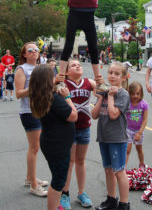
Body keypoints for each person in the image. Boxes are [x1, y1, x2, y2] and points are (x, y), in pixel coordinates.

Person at [29, 64, 78, 210]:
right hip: (58, 146)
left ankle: (56, 205)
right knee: (58, 182)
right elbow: (73, 115)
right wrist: (67, 97)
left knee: (57, 177)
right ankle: (53, 207)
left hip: (51, 143)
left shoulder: (40, 96)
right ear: (47, 80)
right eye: (52, 75)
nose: (55, 77)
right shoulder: (54, 99)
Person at [91, 61, 130, 210]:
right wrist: (102, 97)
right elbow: (94, 115)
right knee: (108, 169)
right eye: (110, 73)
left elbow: (114, 115)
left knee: (119, 171)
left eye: (117, 74)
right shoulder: (105, 91)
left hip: (117, 138)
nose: (112, 76)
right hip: (104, 136)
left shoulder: (122, 94)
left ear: (123, 77)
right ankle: (111, 199)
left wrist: (111, 96)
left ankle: (124, 204)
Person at [60, 59, 96, 209]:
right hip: (69, 128)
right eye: (73, 65)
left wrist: (101, 82)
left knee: (80, 161)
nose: (78, 66)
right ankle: (64, 193)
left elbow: (102, 89)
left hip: (85, 127)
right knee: (69, 162)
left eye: (79, 65)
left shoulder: (89, 82)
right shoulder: (63, 85)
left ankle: (81, 192)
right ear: (67, 72)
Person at [14, 42, 48, 197]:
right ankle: (34, 185)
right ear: (24, 55)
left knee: (36, 147)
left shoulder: (40, 68)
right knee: (34, 148)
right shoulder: (22, 69)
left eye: (36, 49)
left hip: (41, 111)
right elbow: (19, 93)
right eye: (30, 50)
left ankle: (30, 178)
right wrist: (35, 86)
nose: (34, 52)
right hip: (29, 112)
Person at [125, 82, 148, 169]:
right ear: (129, 94)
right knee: (127, 150)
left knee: (139, 149)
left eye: (137, 93)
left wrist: (139, 133)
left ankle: (142, 164)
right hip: (128, 129)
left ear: (141, 94)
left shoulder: (144, 104)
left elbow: (145, 119)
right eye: (133, 94)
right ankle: (123, 168)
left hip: (138, 130)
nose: (135, 96)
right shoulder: (127, 103)